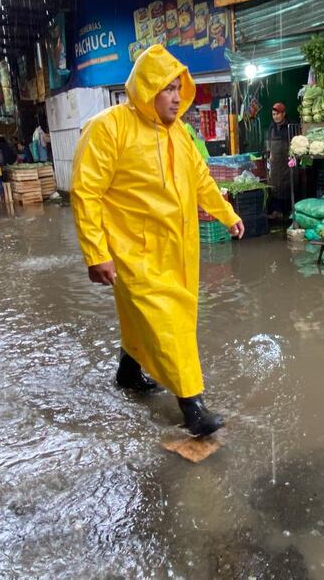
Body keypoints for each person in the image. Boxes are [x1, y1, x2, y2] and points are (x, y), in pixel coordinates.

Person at [71, 44, 244, 438]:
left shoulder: (179, 132)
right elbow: (86, 192)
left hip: (179, 249)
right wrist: (96, 253)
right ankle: (192, 405)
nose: (176, 97)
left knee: (149, 318)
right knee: (169, 322)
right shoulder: (109, 127)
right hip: (133, 250)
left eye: (178, 88)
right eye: (167, 88)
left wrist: (227, 214)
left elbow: (201, 179)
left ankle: (129, 372)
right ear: (147, 89)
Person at [265, 102, 291, 219]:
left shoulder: (289, 126)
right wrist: (270, 155)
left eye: (277, 114)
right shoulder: (272, 127)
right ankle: (276, 211)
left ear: (283, 114)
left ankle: (286, 212)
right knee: (275, 187)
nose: (275, 117)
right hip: (275, 163)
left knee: (286, 186)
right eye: (273, 114)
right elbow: (269, 143)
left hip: (286, 162)